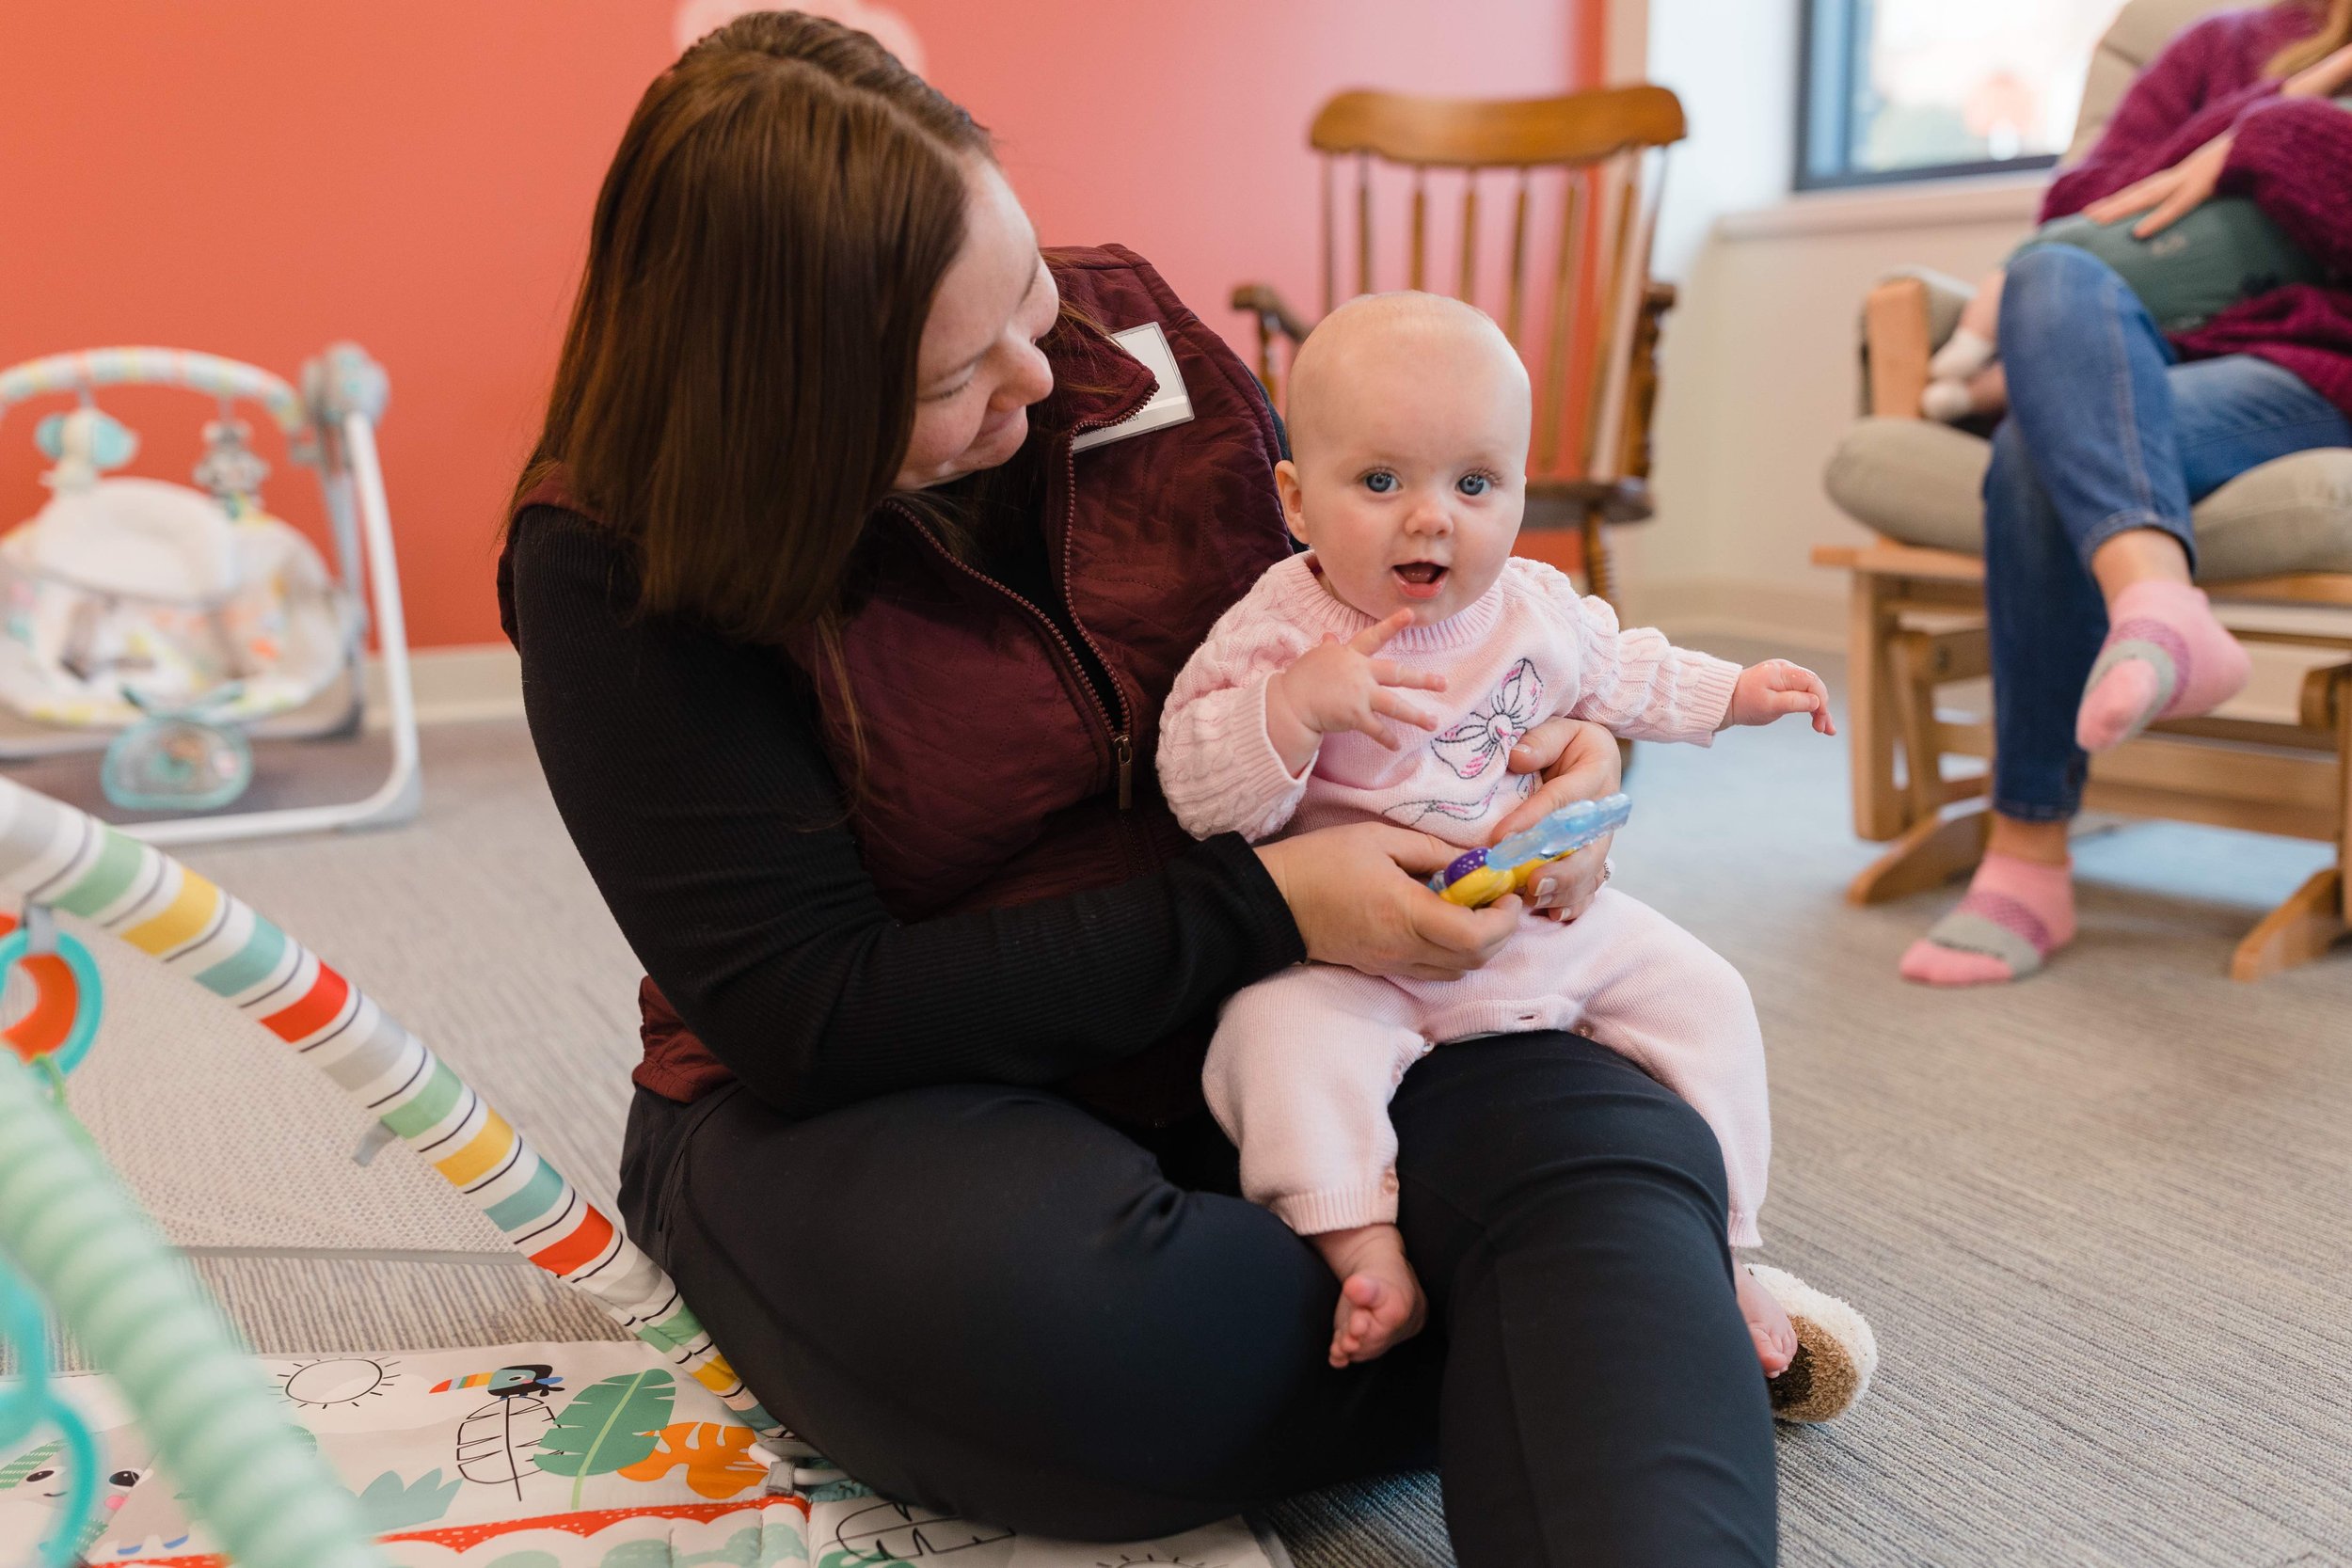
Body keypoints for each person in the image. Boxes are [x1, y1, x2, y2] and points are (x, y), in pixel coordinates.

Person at [501, 12, 1780, 1565]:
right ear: (792, 412)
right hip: (884, 1083)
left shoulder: (1136, 335)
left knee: (1612, 1152)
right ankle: (1579, 1330)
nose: (1046, 375)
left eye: (1029, 292)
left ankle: (1574, 1301)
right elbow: (813, 1008)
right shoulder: (619, 551)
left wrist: (1562, 755)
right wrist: (1260, 905)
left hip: (1306, 988)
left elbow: (1389, 607)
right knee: (1113, 1339)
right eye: (953, 377)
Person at [1156, 293, 1840, 1377]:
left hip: (1534, 914)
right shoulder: (1275, 627)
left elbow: (1630, 671)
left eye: (1474, 484)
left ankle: (1721, 1242)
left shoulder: (1535, 606)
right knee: (1265, 1041)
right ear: (1294, 500)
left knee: (1708, 992)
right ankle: (1358, 1241)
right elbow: (1193, 787)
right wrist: (1286, 710)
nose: (1431, 518)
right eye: (1380, 482)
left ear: (1519, 491)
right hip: (1353, 956)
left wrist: (1737, 690)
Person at [1901, 0, 2352, 986]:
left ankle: (2026, 856)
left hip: (2312, 374)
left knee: (2035, 444)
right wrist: (2262, 107)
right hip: (2132, 359)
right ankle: (2159, 606)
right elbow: (2087, 214)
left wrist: (2290, 121)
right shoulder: (2217, 46)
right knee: (2048, 285)